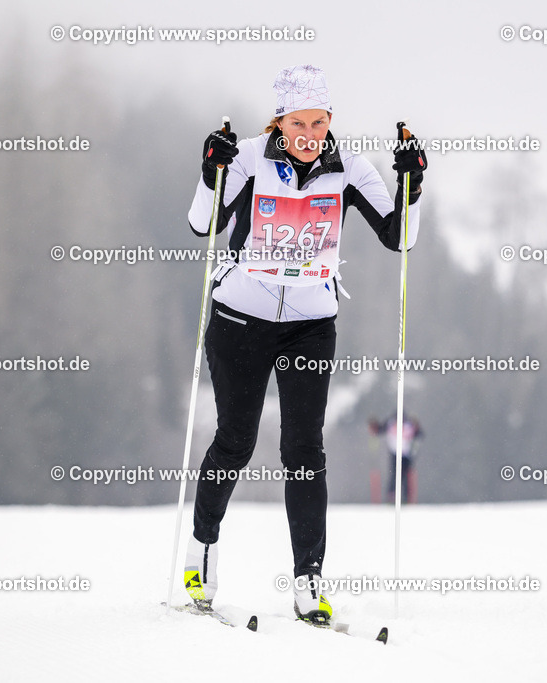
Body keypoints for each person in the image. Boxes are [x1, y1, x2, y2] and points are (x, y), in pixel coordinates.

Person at [181, 64, 426, 625]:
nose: (309, 134)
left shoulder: (350, 170)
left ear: (329, 122)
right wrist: (208, 171)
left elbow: (400, 238)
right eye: (299, 123)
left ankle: (308, 582)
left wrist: (412, 184)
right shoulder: (245, 157)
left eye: (319, 122)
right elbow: (203, 223)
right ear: (279, 121)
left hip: (310, 323)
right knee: (236, 440)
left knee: (304, 451)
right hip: (240, 316)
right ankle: (202, 553)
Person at [368, 413, 423, 503]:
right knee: (394, 475)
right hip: (394, 454)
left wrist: (417, 429)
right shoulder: (390, 423)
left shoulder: (409, 425)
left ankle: (406, 498)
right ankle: (391, 497)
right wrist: (375, 428)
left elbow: (419, 434)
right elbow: (380, 429)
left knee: (406, 475)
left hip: (406, 454)